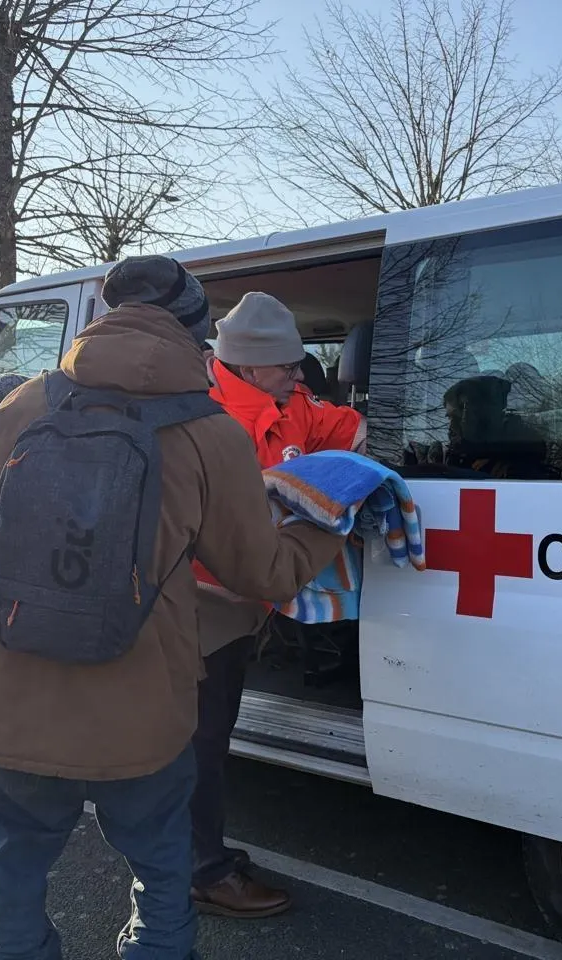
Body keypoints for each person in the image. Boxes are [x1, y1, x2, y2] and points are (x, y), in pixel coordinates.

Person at [0, 257, 347, 960]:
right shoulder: (211, 432)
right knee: (162, 875)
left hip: (10, 702)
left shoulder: (21, 406)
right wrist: (329, 515)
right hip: (139, 712)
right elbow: (262, 572)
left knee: (13, 873)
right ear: (195, 335)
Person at [190, 291, 365, 919]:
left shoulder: (289, 405)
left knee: (215, 734)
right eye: (288, 364)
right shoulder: (205, 420)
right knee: (199, 744)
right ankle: (201, 872)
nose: (300, 372)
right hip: (201, 606)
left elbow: (340, 427)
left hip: (250, 600)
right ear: (249, 364)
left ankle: (198, 859)